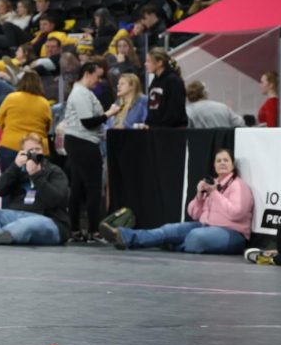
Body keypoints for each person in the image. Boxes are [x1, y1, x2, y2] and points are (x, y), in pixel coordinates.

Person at [101, 148, 253, 253]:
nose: (222, 163)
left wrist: (214, 193)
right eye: (218, 160)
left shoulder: (238, 185)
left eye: (226, 160)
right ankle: (124, 236)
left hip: (233, 234)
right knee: (169, 229)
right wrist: (199, 196)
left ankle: (167, 242)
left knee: (196, 237)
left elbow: (236, 213)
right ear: (214, 165)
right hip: (205, 225)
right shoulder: (213, 184)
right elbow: (193, 213)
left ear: (233, 165)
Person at [0, 134, 69, 246]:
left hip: (48, 220)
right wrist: (14, 167)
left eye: (38, 149)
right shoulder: (18, 171)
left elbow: (55, 199)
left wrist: (37, 175)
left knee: (28, 224)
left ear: (43, 151)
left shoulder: (54, 171)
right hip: (16, 215)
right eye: (30, 150)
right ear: (23, 153)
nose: (34, 153)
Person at [63, 62, 117, 241]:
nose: (99, 81)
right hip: (83, 142)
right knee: (93, 188)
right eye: (97, 76)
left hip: (78, 141)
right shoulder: (80, 94)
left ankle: (75, 230)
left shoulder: (82, 92)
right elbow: (88, 121)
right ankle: (94, 231)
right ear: (87, 73)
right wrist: (109, 113)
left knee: (78, 187)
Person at [0, 68, 52, 172]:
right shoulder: (44, 103)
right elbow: (48, 128)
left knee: (9, 183)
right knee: (37, 184)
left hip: (10, 146)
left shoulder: (11, 98)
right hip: (37, 149)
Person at [144, 48, 188, 127]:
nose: (145, 64)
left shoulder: (173, 81)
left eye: (148, 61)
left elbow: (174, 111)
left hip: (171, 132)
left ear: (159, 63)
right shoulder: (155, 81)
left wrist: (158, 126)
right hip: (156, 131)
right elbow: (152, 108)